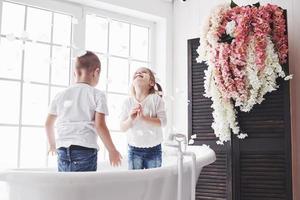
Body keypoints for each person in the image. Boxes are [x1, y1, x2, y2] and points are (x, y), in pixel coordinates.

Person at [45, 51, 122, 172]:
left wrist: (52, 144)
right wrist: (112, 150)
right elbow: (100, 125)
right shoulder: (97, 95)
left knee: (65, 187)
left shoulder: (60, 95)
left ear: (75, 73)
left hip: (63, 150)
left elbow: (48, 123)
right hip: (85, 149)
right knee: (84, 189)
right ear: (96, 72)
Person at [120, 67, 167, 170]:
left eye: (143, 72)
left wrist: (144, 118)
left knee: (153, 181)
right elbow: (122, 128)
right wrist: (131, 119)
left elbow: (163, 122)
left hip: (154, 149)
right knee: (135, 182)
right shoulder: (128, 102)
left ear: (151, 82)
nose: (138, 73)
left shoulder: (156, 99)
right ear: (133, 83)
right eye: (136, 73)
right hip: (134, 149)